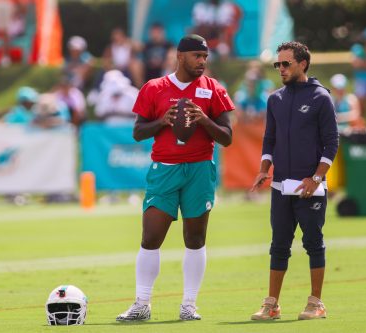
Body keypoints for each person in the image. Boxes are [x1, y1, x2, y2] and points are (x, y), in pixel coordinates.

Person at [115, 34, 234, 322]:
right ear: (180, 57)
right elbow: (138, 131)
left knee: (195, 238)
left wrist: (204, 120)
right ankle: (142, 303)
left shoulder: (213, 88)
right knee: (151, 236)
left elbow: (227, 137)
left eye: (205, 57)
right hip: (165, 168)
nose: (202, 62)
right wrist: (163, 121)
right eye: (197, 56)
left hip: (200, 169)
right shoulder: (154, 87)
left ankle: (188, 305)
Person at [250, 41, 338, 321]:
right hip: (280, 187)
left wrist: (315, 178)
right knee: (278, 245)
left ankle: (316, 303)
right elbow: (269, 138)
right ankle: (272, 304)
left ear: (303, 64)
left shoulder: (321, 97)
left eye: (286, 63)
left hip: (310, 187)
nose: (281, 69)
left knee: (313, 243)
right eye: (278, 64)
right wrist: (264, 168)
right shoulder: (275, 98)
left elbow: (331, 143)